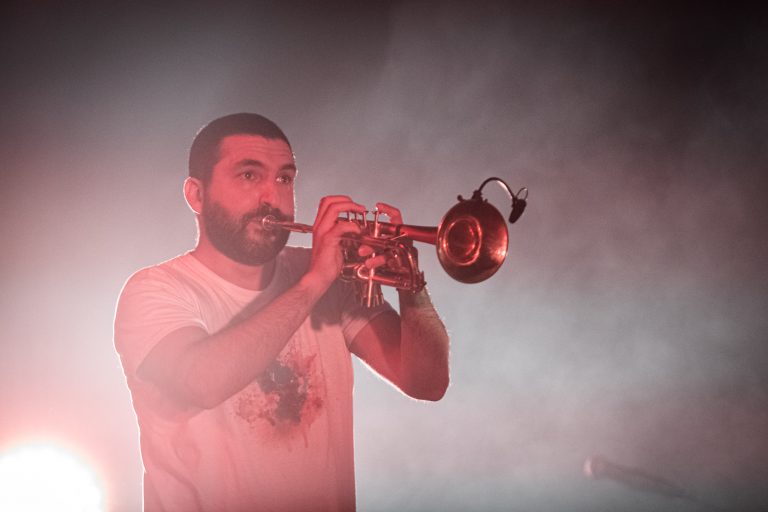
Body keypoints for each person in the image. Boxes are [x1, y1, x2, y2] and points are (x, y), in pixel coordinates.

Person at [114, 113, 450, 512]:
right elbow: (201, 382)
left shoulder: (328, 280)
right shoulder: (156, 289)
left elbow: (426, 383)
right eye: (249, 176)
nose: (272, 198)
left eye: (284, 179)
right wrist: (314, 282)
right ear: (196, 195)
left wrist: (412, 285)